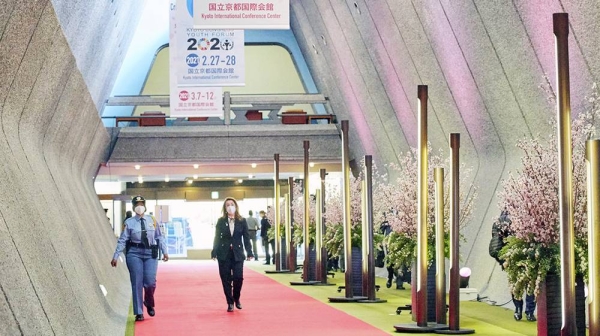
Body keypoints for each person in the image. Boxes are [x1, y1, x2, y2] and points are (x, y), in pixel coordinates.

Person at [111, 196, 169, 322]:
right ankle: (139, 312)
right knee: (136, 282)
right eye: (137, 204)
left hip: (150, 254)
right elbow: (122, 240)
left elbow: (159, 237)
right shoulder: (129, 222)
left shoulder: (152, 220)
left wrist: (164, 251)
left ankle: (148, 301)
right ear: (133, 207)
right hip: (134, 253)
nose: (139, 206)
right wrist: (116, 256)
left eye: (141, 203)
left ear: (145, 205)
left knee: (150, 282)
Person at [489, 209, 536, 322]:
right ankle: (529, 312)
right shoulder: (529, 217)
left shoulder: (499, 221)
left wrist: (502, 260)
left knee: (516, 284)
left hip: (511, 257)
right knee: (531, 283)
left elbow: (495, 246)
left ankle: (518, 309)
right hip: (523, 255)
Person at [212, 197, 254, 312]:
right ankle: (230, 302)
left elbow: (246, 238)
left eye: (232, 204)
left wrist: (250, 252)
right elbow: (217, 237)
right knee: (225, 279)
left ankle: (236, 298)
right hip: (224, 254)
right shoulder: (221, 221)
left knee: (238, 278)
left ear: (235, 206)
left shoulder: (242, 221)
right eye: (227, 205)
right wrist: (214, 251)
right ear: (225, 208)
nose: (230, 206)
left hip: (238, 254)